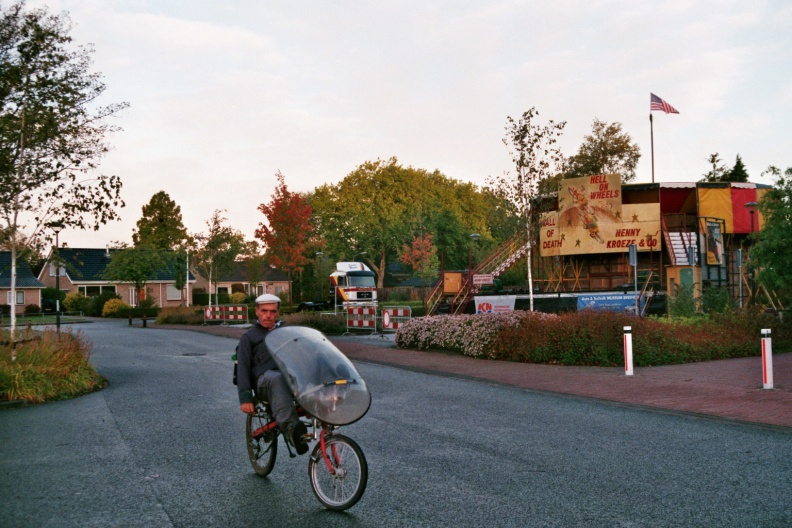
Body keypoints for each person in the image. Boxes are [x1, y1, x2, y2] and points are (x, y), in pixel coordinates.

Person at [237, 293, 308, 455]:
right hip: (264, 380)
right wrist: (245, 398)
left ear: (277, 313)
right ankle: (291, 430)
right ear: (257, 312)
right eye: (264, 311)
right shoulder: (249, 337)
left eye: (272, 311)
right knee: (277, 378)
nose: (268, 315)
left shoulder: (285, 333)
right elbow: (243, 367)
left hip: (286, 378)